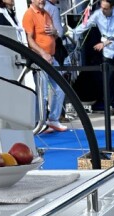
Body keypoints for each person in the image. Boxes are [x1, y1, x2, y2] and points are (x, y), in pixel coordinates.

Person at [74, 0, 114, 117]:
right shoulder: (97, 14)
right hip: (108, 53)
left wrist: (104, 44)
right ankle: (110, 106)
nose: (102, 10)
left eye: (105, 8)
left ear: (112, 8)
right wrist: (72, 32)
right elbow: (85, 25)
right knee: (108, 80)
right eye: (101, 7)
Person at [22, 0, 68, 132]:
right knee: (42, 92)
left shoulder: (46, 13)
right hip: (39, 59)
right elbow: (29, 39)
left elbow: (55, 34)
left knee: (60, 87)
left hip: (51, 57)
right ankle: (39, 122)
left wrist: (54, 32)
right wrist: (43, 53)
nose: (41, 0)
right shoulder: (29, 15)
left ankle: (53, 119)